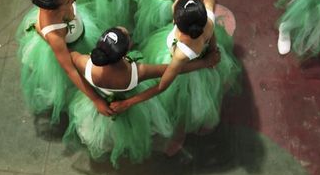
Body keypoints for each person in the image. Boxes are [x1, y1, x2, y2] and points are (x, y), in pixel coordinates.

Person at [64, 27, 218, 166]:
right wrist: (204, 63)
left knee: (108, 132)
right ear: (124, 53)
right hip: (127, 102)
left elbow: (70, 59)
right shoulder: (136, 72)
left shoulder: (85, 63)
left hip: (98, 103)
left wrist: (96, 99)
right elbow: (173, 69)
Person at [115, 0, 239, 136]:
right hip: (202, 53)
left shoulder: (181, 54)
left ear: (176, 23)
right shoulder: (208, 19)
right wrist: (212, 48)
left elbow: (162, 86)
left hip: (187, 72)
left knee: (179, 100)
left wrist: (128, 103)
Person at [17, 0, 114, 123]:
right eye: (68, 0)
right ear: (52, 10)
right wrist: (96, 99)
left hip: (79, 32)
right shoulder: (55, 34)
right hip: (72, 47)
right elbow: (70, 70)